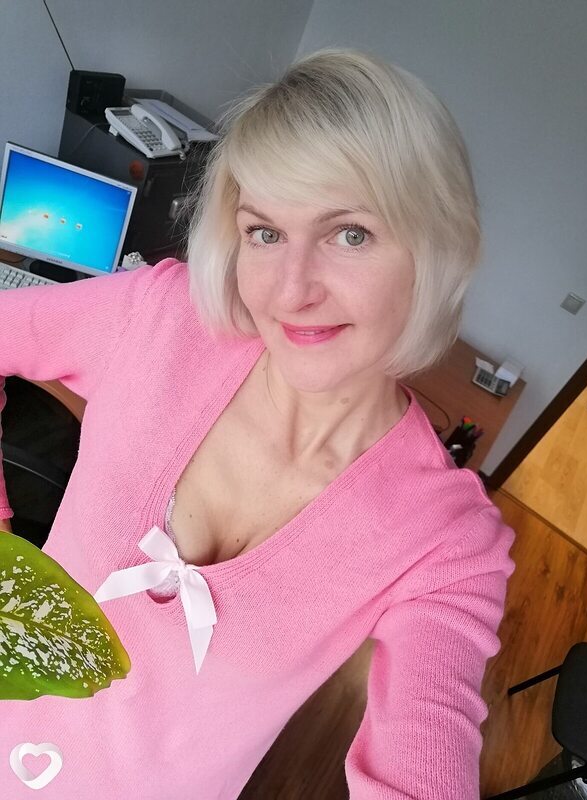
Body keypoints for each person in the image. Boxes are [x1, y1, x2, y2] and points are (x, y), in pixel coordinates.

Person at [0, 48, 516, 798]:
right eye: (265, 233)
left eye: (349, 234)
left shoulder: (445, 541)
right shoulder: (159, 318)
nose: (290, 291)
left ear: (436, 249)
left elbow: (426, 757)